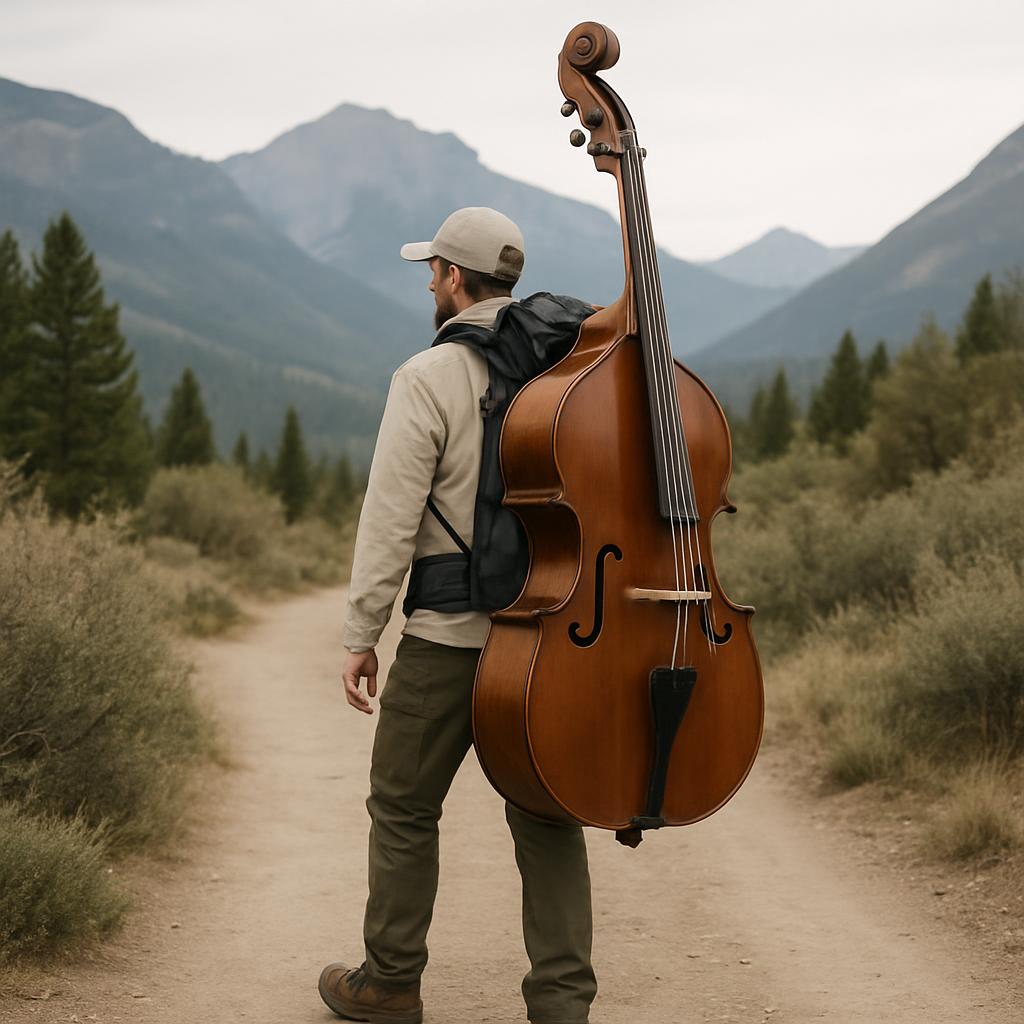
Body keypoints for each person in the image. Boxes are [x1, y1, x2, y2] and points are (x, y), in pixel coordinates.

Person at [318, 207, 596, 1024]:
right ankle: (562, 1003)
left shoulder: (428, 377)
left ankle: (392, 982)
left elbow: (390, 518)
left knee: (404, 806)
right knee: (548, 817)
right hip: (548, 641)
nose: (429, 283)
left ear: (451, 278)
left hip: (448, 640)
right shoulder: (568, 371)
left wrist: (362, 635)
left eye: (431, 270)